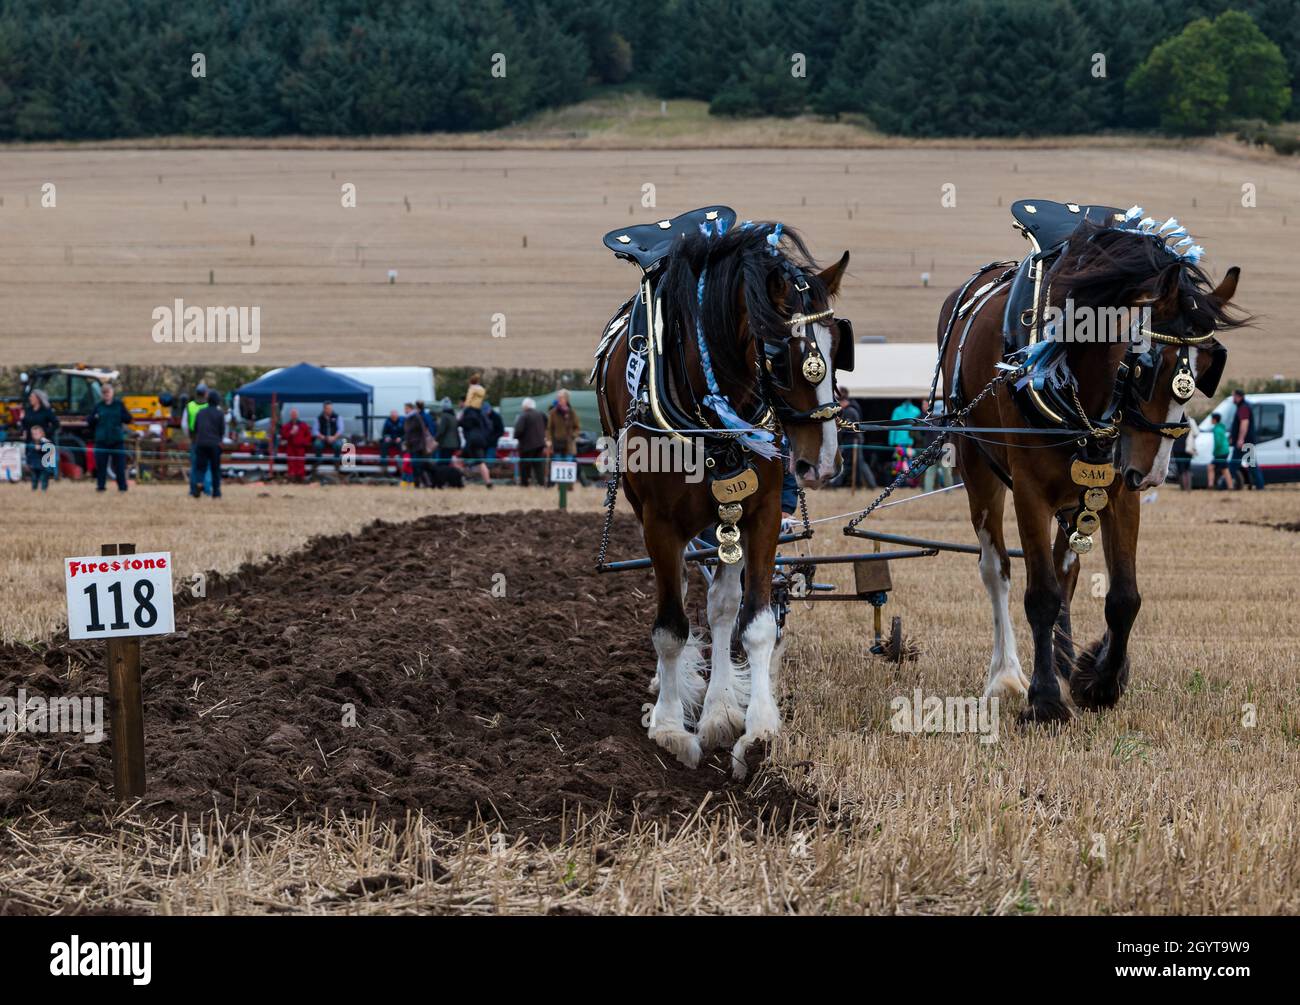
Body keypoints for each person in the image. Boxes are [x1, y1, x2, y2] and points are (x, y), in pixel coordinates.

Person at [87, 383, 132, 492]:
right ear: (101, 394)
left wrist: (121, 417)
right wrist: (94, 418)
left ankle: (122, 488)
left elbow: (129, 418)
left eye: (108, 392)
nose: (106, 394)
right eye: (104, 392)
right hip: (101, 441)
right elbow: (89, 421)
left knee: (119, 466)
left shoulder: (119, 405)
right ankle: (101, 487)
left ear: (112, 393)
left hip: (116, 440)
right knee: (101, 466)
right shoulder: (98, 406)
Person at [833, 389, 876, 490]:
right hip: (852, 441)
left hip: (853, 441)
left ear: (843, 401)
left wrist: (838, 428)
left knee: (851, 464)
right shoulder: (850, 410)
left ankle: (834, 484)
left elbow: (849, 428)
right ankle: (867, 485)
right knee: (858, 464)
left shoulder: (850, 411)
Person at [191, 390, 225, 499]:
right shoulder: (219, 414)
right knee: (215, 469)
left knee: (200, 467)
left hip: (201, 443)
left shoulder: (200, 412)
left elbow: (195, 428)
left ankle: (199, 484)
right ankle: (216, 492)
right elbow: (222, 430)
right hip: (214, 444)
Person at [21, 389, 59, 486]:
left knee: (44, 467)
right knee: (33, 466)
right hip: (31, 442)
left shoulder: (46, 410)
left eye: (32, 397)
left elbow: (56, 424)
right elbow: (25, 424)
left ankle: (44, 487)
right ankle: (34, 487)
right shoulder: (28, 410)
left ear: (38, 399)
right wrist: (22, 422)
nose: (30, 398)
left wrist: (46, 434)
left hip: (43, 443)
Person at [1229, 389, 1265, 491]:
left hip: (1245, 443)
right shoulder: (1243, 406)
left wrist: (1240, 439)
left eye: (1234, 396)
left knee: (1235, 464)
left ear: (1238, 397)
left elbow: (1244, 423)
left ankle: (1225, 485)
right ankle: (1259, 486)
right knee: (1250, 465)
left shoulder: (1243, 407)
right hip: (1247, 442)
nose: (1233, 399)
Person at [546, 389, 581, 484]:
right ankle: (559, 487)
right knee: (557, 466)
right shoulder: (553, 413)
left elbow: (577, 428)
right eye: (558, 398)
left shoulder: (572, 413)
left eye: (561, 398)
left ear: (566, 399)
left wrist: (573, 436)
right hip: (556, 444)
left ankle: (568, 487)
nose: (559, 400)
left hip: (569, 445)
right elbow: (549, 429)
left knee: (568, 465)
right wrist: (549, 440)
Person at [459, 395, 493, 488]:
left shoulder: (469, 412)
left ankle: (487, 482)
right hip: (480, 440)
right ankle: (486, 481)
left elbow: (463, 423)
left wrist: (460, 420)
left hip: (473, 440)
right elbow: (488, 427)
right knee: (476, 461)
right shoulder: (480, 413)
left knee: (478, 461)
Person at [186, 381, 213, 496]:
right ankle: (207, 489)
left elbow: (185, 424)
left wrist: (189, 436)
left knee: (195, 466)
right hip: (208, 439)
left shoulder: (190, 406)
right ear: (206, 394)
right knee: (207, 466)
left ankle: (193, 489)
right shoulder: (210, 407)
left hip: (194, 439)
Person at [514, 397, 547, 486]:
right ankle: (541, 483)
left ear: (525, 406)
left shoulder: (524, 415)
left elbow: (518, 430)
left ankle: (524, 483)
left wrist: (516, 436)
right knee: (538, 465)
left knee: (524, 465)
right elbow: (546, 425)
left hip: (527, 445)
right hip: (540, 444)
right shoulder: (541, 414)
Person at [921, 401, 952, 492]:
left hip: (931, 450)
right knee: (947, 473)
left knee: (930, 473)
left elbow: (923, 434)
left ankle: (927, 492)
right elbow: (949, 435)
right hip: (944, 450)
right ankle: (949, 492)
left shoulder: (928, 420)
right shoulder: (947, 421)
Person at [888, 397, 922, 481]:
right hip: (910, 442)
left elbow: (893, 426)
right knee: (908, 462)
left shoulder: (898, 410)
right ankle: (909, 481)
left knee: (900, 462)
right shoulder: (916, 410)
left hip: (902, 442)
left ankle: (900, 482)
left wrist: (891, 441)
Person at [280, 407, 313, 482]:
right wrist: (290, 433)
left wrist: (303, 442)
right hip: (290, 446)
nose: (294, 416)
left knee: (300, 462)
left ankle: (300, 478)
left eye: (295, 414)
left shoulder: (303, 425)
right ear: (291, 416)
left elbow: (308, 436)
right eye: (292, 414)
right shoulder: (287, 426)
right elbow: (283, 436)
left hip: (300, 447)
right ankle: (292, 477)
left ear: (297, 415)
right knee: (291, 462)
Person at [403, 402, 429, 487]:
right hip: (412, 446)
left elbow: (421, 432)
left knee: (417, 465)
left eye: (406, 408)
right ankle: (418, 484)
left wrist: (422, 445)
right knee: (415, 466)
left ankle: (424, 483)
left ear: (411, 409)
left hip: (417, 446)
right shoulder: (409, 418)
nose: (405, 410)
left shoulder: (416, 417)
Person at [315, 401, 346, 471]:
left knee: (338, 445)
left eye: (330, 408)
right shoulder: (319, 418)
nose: (329, 410)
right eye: (328, 408)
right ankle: (319, 460)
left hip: (334, 438)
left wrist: (334, 437)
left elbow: (341, 429)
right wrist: (322, 437)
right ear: (324, 409)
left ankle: (336, 461)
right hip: (322, 438)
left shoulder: (338, 417)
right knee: (317, 444)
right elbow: (315, 431)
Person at [1171, 413, 1197, 490]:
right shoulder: (1189, 423)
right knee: (1187, 468)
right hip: (1188, 448)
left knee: (1181, 469)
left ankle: (1183, 487)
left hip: (1178, 449)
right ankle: (1188, 487)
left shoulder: (1175, 424)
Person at [1210, 412, 1233, 490]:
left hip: (1220, 452)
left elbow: (1218, 442)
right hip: (1225, 451)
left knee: (1216, 468)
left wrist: (1214, 452)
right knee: (1221, 468)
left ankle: (1211, 485)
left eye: (1212, 419)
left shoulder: (1216, 429)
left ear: (1215, 420)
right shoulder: (1221, 427)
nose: (1211, 420)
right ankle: (1230, 486)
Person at [433, 398, 458, 466]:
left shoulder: (444, 416)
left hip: (446, 444)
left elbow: (441, 431)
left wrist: (435, 439)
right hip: (453, 444)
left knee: (442, 463)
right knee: (447, 462)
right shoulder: (453, 416)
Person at [379, 409, 404, 475]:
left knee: (402, 447)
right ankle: (384, 466)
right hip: (390, 440)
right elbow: (384, 433)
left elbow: (405, 434)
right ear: (391, 416)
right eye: (392, 417)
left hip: (398, 440)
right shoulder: (387, 421)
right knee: (383, 445)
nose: (394, 418)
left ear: (397, 416)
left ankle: (402, 466)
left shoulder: (402, 421)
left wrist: (401, 438)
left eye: (395, 416)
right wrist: (387, 437)